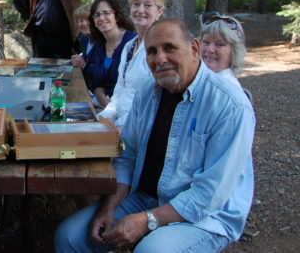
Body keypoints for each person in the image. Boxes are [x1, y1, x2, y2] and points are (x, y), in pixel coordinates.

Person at [55, 19, 255, 253]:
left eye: (170, 48)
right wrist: (108, 207)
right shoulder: (147, 93)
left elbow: (210, 194)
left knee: (150, 251)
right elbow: (127, 158)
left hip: (206, 216)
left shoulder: (230, 105)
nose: (160, 58)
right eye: (152, 51)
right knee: (69, 236)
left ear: (193, 49)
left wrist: (147, 220)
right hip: (145, 198)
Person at [99, 0, 165, 127]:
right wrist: (104, 116)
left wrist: (120, 125)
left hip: (141, 129)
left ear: (159, 11)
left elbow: (154, 102)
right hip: (119, 125)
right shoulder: (129, 46)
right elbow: (120, 91)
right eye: (136, 4)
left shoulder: (160, 49)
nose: (140, 10)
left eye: (148, 5)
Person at [83, 0, 136, 107]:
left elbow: (134, 86)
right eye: (97, 15)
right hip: (103, 105)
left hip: (126, 108)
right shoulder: (99, 46)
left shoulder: (132, 42)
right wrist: (100, 95)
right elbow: (95, 80)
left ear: (116, 17)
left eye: (106, 13)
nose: (102, 18)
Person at [198, 12, 247, 89]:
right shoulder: (203, 81)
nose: (210, 49)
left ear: (234, 52)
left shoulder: (224, 89)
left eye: (220, 44)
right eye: (206, 42)